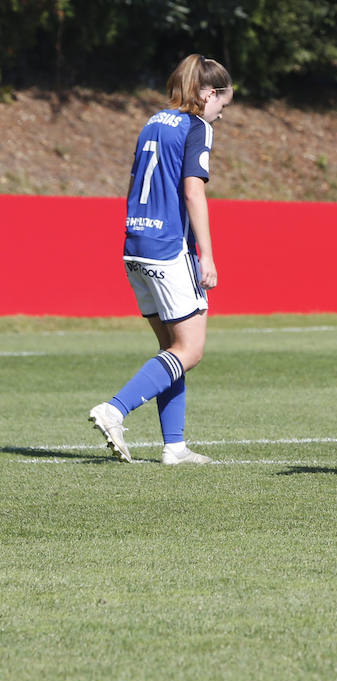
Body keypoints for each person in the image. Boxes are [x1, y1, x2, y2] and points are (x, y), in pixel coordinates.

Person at [88, 54, 233, 464]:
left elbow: (135, 180)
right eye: (223, 104)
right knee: (191, 349)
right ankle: (114, 409)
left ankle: (174, 446)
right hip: (169, 247)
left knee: (171, 349)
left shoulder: (153, 121)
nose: (222, 115)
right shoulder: (196, 126)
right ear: (208, 94)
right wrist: (206, 254)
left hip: (135, 244)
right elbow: (193, 191)